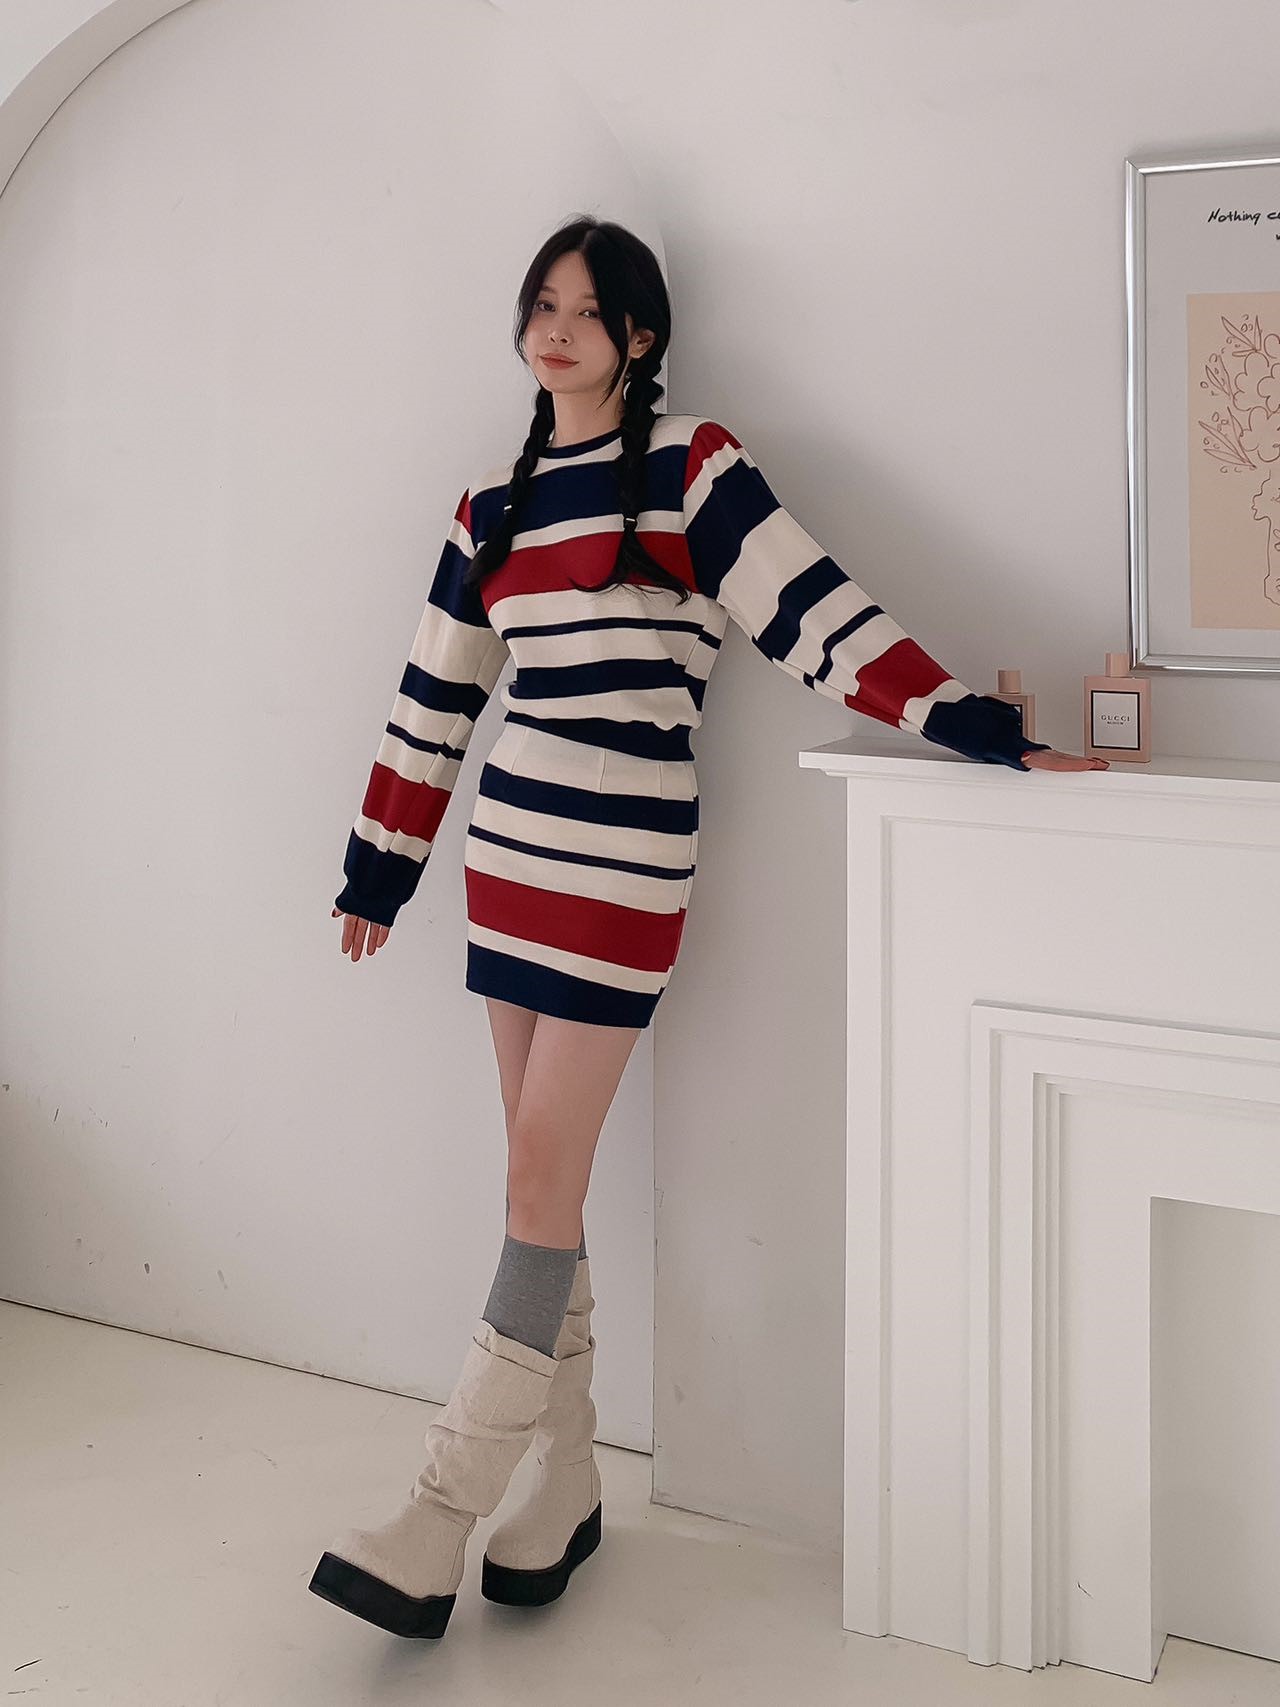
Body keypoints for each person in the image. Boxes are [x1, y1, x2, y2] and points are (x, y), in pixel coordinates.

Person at [309, 216, 1109, 1640]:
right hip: (510, 855)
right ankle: (565, 1483)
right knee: (538, 1185)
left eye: (586, 311)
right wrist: (381, 868)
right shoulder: (489, 510)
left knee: (535, 1179)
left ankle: (440, 1511)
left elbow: (820, 619)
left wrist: (977, 727)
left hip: (623, 868)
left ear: (641, 337)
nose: (555, 331)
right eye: (540, 306)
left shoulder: (695, 472)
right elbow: (434, 698)